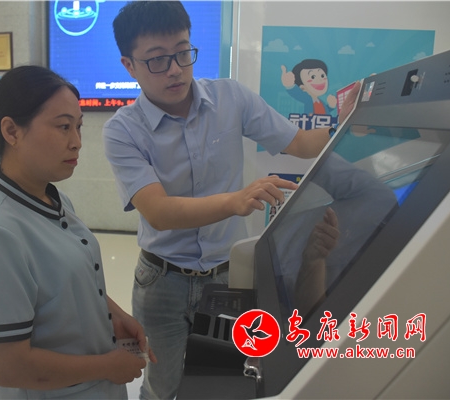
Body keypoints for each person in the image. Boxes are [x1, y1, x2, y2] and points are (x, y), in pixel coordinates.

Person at [102, 2, 361, 399]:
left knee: (221, 382)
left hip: (227, 276)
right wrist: (235, 201)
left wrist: (349, 119)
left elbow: (300, 143)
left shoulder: (230, 98)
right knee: (161, 386)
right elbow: (159, 212)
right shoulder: (122, 130)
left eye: (183, 52)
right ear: (129, 65)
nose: (175, 69)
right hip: (161, 280)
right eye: (157, 60)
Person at [0, 65, 155, 399]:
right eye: (63, 127)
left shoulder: (54, 199)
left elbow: (67, 284)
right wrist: (107, 366)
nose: (76, 143)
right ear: (11, 131)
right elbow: (9, 367)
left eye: (78, 127)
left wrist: (115, 315)